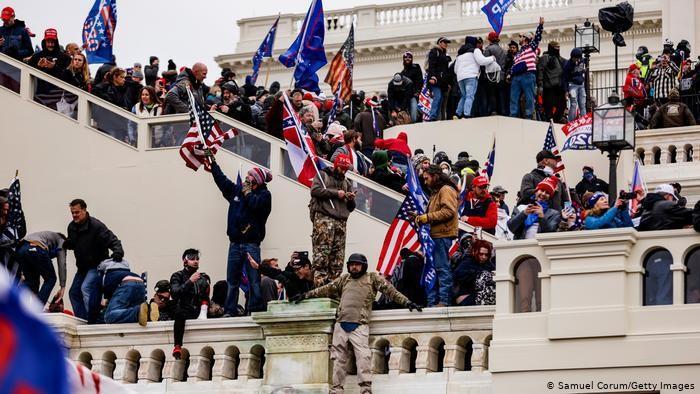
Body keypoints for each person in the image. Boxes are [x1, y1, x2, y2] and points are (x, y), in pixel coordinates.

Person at [292, 253, 422, 394]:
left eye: (357, 264)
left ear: (363, 265)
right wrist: (305, 295)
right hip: (341, 325)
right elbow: (325, 289)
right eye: (352, 264)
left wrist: (407, 302)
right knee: (338, 360)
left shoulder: (372, 278)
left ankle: (365, 390)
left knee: (363, 359)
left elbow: (391, 291)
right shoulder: (344, 279)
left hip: (359, 325)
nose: (354, 267)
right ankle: (336, 390)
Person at [207, 154, 272, 316]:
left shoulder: (265, 195)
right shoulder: (236, 190)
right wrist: (213, 163)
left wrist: (248, 193)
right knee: (232, 280)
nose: (246, 177)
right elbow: (222, 182)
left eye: (250, 175)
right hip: (235, 243)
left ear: (257, 180)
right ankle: (230, 310)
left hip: (251, 244)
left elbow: (256, 206)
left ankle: (255, 310)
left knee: (254, 280)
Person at [64, 199, 123, 322]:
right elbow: (74, 242)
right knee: (73, 293)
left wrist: (118, 251)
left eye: (77, 212)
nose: (74, 215)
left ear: (85, 210)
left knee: (86, 288)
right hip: (82, 267)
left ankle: (95, 319)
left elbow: (112, 239)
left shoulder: (96, 226)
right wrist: (68, 244)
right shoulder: (72, 227)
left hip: (96, 265)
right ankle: (83, 320)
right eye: (72, 213)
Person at [415, 165, 459, 307]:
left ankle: (444, 301)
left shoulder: (445, 190)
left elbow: (449, 211)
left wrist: (426, 217)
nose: (425, 181)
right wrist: (419, 218)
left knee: (441, 268)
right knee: (432, 269)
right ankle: (432, 302)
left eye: (427, 178)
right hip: (434, 236)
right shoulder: (436, 192)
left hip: (442, 236)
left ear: (435, 176)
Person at [310, 154, 356, 286]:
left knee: (337, 260)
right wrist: (336, 193)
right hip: (324, 219)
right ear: (336, 166)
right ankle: (320, 286)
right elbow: (315, 190)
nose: (344, 172)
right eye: (342, 168)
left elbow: (351, 208)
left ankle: (333, 287)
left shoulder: (347, 183)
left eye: (346, 169)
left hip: (341, 222)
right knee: (321, 256)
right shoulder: (323, 175)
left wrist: (350, 198)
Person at [170, 249, 211, 359]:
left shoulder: (202, 279)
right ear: (185, 260)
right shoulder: (177, 276)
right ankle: (177, 346)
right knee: (179, 313)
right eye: (192, 259)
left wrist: (204, 311)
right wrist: (189, 281)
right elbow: (175, 294)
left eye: (197, 259)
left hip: (198, 310)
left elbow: (205, 297)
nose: (195, 261)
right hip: (183, 309)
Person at [98, 258, 157, 326]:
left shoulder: (104, 275)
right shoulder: (124, 271)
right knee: (136, 312)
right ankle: (149, 311)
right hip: (140, 283)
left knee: (109, 316)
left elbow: (102, 299)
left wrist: (91, 320)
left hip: (127, 284)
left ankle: (137, 312)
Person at [14, 231, 67, 305]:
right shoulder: (61, 240)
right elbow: (62, 263)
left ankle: (12, 303)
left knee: (30, 281)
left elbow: (41, 259)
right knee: (51, 279)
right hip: (35, 248)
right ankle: (37, 309)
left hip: (21, 249)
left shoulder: (45, 237)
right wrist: (62, 287)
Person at [510, 17, 544, 118]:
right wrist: (510, 74)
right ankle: (513, 116)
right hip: (516, 77)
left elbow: (537, 37)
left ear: (525, 38)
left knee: (529, 98)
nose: (519, 38)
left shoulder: (532, 46)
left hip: (528, 75)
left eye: (521, 36)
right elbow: (514, 64)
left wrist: (540, 25)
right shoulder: (518, 53)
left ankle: (529, 116)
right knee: (513, 98)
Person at [454, 36, 496, 118]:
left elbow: (455, 69)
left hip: (460, 78)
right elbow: (482, 61)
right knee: (470, 96)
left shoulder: (459, 55)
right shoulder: (475, 50)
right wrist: (492, 58)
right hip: (471, 76)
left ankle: (457, 114)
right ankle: (466, 115)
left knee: (464, 96)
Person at [248, 251, 314, 300]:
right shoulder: (296, 278)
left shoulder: (319, 277)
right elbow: (277, 273)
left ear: (306, 266)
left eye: (298, 269)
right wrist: (258, 267)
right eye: (295, 270)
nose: (296, 272)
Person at [452, 239, 495, 306]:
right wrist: (479, 274)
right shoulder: (466, 262)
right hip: (465, 298)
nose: (484, 257)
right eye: (481, 254)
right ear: (474, 251)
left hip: (478, 297)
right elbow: (458, 276)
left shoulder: (489, 265)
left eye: (486, 255)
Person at [537, 40, 567, 122]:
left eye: (559, 47)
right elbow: (540, 71)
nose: (558, 49)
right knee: (548, 106)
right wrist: (540, 85)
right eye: (556, 47)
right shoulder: (545, 58)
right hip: (549, 87)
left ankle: (556, 119)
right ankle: (549, 120)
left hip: (559, 87)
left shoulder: (561, 59)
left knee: (562, 105)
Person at [426, 37, 452, 121]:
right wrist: (432, 77)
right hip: (435, 80)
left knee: (441, 99)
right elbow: (431, 65)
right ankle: (432, 116)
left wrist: (448, 83)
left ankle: (437, 117)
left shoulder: (444, 54)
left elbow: (446, 71)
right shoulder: (434, 51)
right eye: (444, 42)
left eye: (446, 43)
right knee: (437, 96)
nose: (446, 44)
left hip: (443, 82)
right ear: (439, 43)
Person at [483, 32, 507, 115]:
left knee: (492, 94)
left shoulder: (488, 49)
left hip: (491, 77)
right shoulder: (503, 51)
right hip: (501, 76)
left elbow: (484, 62)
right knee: (501, 95)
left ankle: (494, 111)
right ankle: (503, 111)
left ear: (489, 39)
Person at [562, 48, 587, 121]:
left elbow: (584, 64)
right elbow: (565, 78)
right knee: (573, 104)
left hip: (581, 85)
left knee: (582, 104)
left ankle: (584, 120)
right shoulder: (568, 65)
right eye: (575, 58)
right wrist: (566, 90)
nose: (577, 60)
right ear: (572, 57)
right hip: (572, 85)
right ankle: (571, 121)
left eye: (578, 58)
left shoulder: (582, 61)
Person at [400, 52, 423, 122]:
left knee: (414, 113)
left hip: (414, 94)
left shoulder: (416, 67)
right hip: (406, 96)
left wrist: (418, 91)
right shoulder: (402, 73)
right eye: (406, 57)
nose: (408, 58)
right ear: (403, 59)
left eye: (409, 57)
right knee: (407, 112)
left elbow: (420, 80)